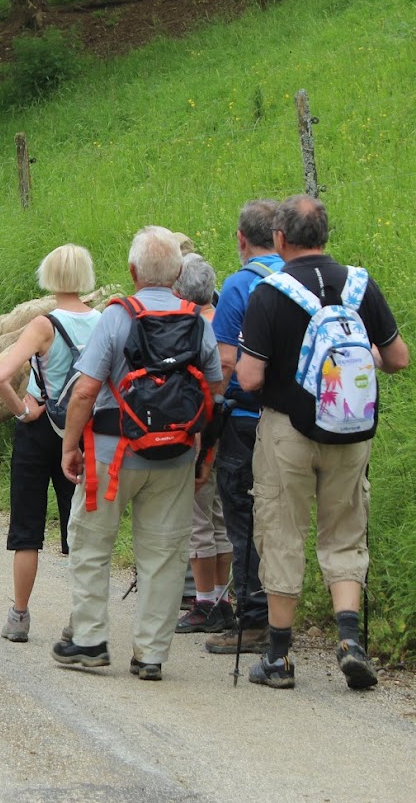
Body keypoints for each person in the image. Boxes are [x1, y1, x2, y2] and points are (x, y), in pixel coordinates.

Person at [236, 195, 408, 690]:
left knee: (281, 530)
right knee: (345, 531)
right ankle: (351, 641)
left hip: (288, 432)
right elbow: (399, 358)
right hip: (350, 431)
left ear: (281, 239)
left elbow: (248, 378)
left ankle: (278, 657)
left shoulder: (269, 292)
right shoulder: (359, 284)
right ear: (326, 237)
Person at [55, 227, 222, 681]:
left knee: (92, 546)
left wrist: (70, 446)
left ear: (132, 272)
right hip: (176, 459)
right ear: (177, 274)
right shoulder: (197, 321)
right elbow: (213, 395)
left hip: (112, 455)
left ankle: (88, 641)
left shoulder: (117, 316)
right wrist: (203, 456)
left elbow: (86, 389)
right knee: (164, 555)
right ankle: (151, 655)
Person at [0, 243, 100, 643]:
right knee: (81, 530)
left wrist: (22, 410)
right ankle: (79, 618)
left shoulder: (43, 324)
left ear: (49, 276)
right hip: (85, 434)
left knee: (28, 528)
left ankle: (19, 617)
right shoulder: (104, 320)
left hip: (40, 433)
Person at [202, 199, 282, 656]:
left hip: (247, 420)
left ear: (241, 239)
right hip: (301, 418)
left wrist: (209, 414)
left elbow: (226, 362)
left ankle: (254, 621)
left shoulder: (239, 285)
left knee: (244, 519)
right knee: (283, 522)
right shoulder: (299, 280)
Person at [170, 253, 235, 635]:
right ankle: (223, 599)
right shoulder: (227, 325)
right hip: (231, 427)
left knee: (197, 518)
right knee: (221, 515)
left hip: (198, 434)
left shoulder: (189, 327)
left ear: (180, 289)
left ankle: (205, 601)